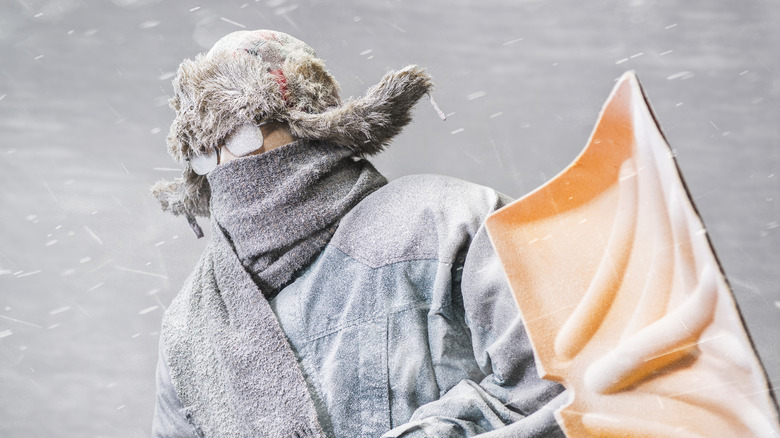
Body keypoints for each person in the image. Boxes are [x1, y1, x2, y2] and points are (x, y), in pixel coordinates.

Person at [150, 29, 566, 437]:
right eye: (206, 152)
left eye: (243, 137)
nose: (225, 167)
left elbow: (562, 388)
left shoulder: (446, 221)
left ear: (309, 123)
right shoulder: (189, 328)